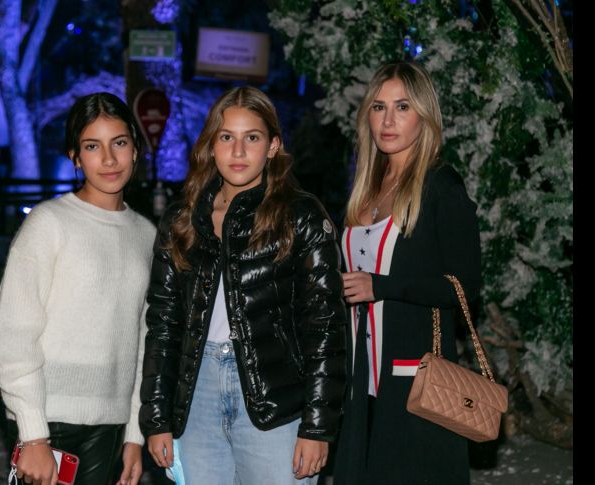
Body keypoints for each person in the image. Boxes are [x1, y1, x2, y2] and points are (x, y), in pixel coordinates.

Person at [139, 86, 347, 484]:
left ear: (272, 147)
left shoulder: (300, 216)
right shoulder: (183, 218)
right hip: (196, 394)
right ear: (211, 146)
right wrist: (158, 416)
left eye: (251, 137)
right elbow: (164, 323)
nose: (238, 152)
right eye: (226, 137)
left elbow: (325, 328)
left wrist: (317, 427)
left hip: (276, 399)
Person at [0, 92, 156, 485]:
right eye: (92, 146)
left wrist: (134, 433)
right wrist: (33, 434)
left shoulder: (146, 235)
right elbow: (12, 335)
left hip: (111, 426)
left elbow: (144, 343)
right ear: (76, 158)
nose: (109, 159)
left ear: (135, 146)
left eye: (119, 143)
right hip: (49, 420)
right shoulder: (48, 225)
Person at [332, 61, 481, 484]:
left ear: (424, 115)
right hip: (362, 378)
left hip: (413, 377)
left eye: (402, 107)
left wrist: (382, 286)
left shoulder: (441, 186)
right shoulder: (367, 186)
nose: (389, 120)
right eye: (379, 107)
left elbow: (465, 286)